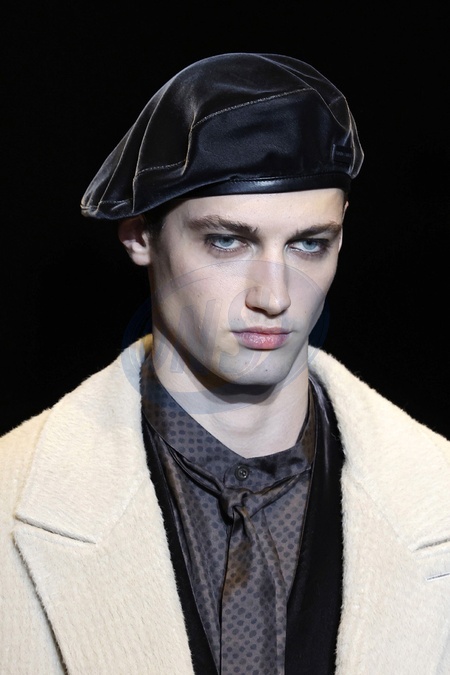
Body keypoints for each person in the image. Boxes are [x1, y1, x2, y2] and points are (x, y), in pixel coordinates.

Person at [1, 52, 449, 675]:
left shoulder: (437, 489)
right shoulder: (11, 493)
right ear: (140, 236)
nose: (275, 296)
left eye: (309, 244)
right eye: (228, 241)